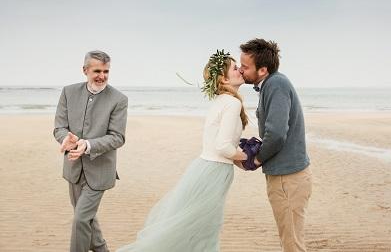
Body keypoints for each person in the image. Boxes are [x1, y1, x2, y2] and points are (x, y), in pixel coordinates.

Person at [117, 50, 248, 252]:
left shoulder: (221, 101)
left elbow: (218, 143)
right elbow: (223, 147)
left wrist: (237, 157)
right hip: (214, 173)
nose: (240, 70)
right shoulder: (232, 102)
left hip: (205, 168)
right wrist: (246, 157)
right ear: (223, 77)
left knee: (197, 229)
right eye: (234, 68)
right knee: (204, 230)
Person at [239, 39, 312, 252]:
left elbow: (277, 134)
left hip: (287, 179)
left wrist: (258, 159)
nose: (240, 70)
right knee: (290, 240)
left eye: (245, 66)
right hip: (285, 176)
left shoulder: (276, 85)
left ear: (262, 69)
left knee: (292, 244)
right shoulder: (270, 85)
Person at [53, 50, 128, 252]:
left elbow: (117, 137)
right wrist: (65, 139)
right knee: (87, 219)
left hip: (101, 171)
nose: (102, 76)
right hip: (73, 169)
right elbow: (59, 127)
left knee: (80, 220)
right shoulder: (68, 92)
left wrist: (87, 144)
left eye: (106, 71)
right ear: (85, 70)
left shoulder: (119, 99)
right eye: (97, 71)